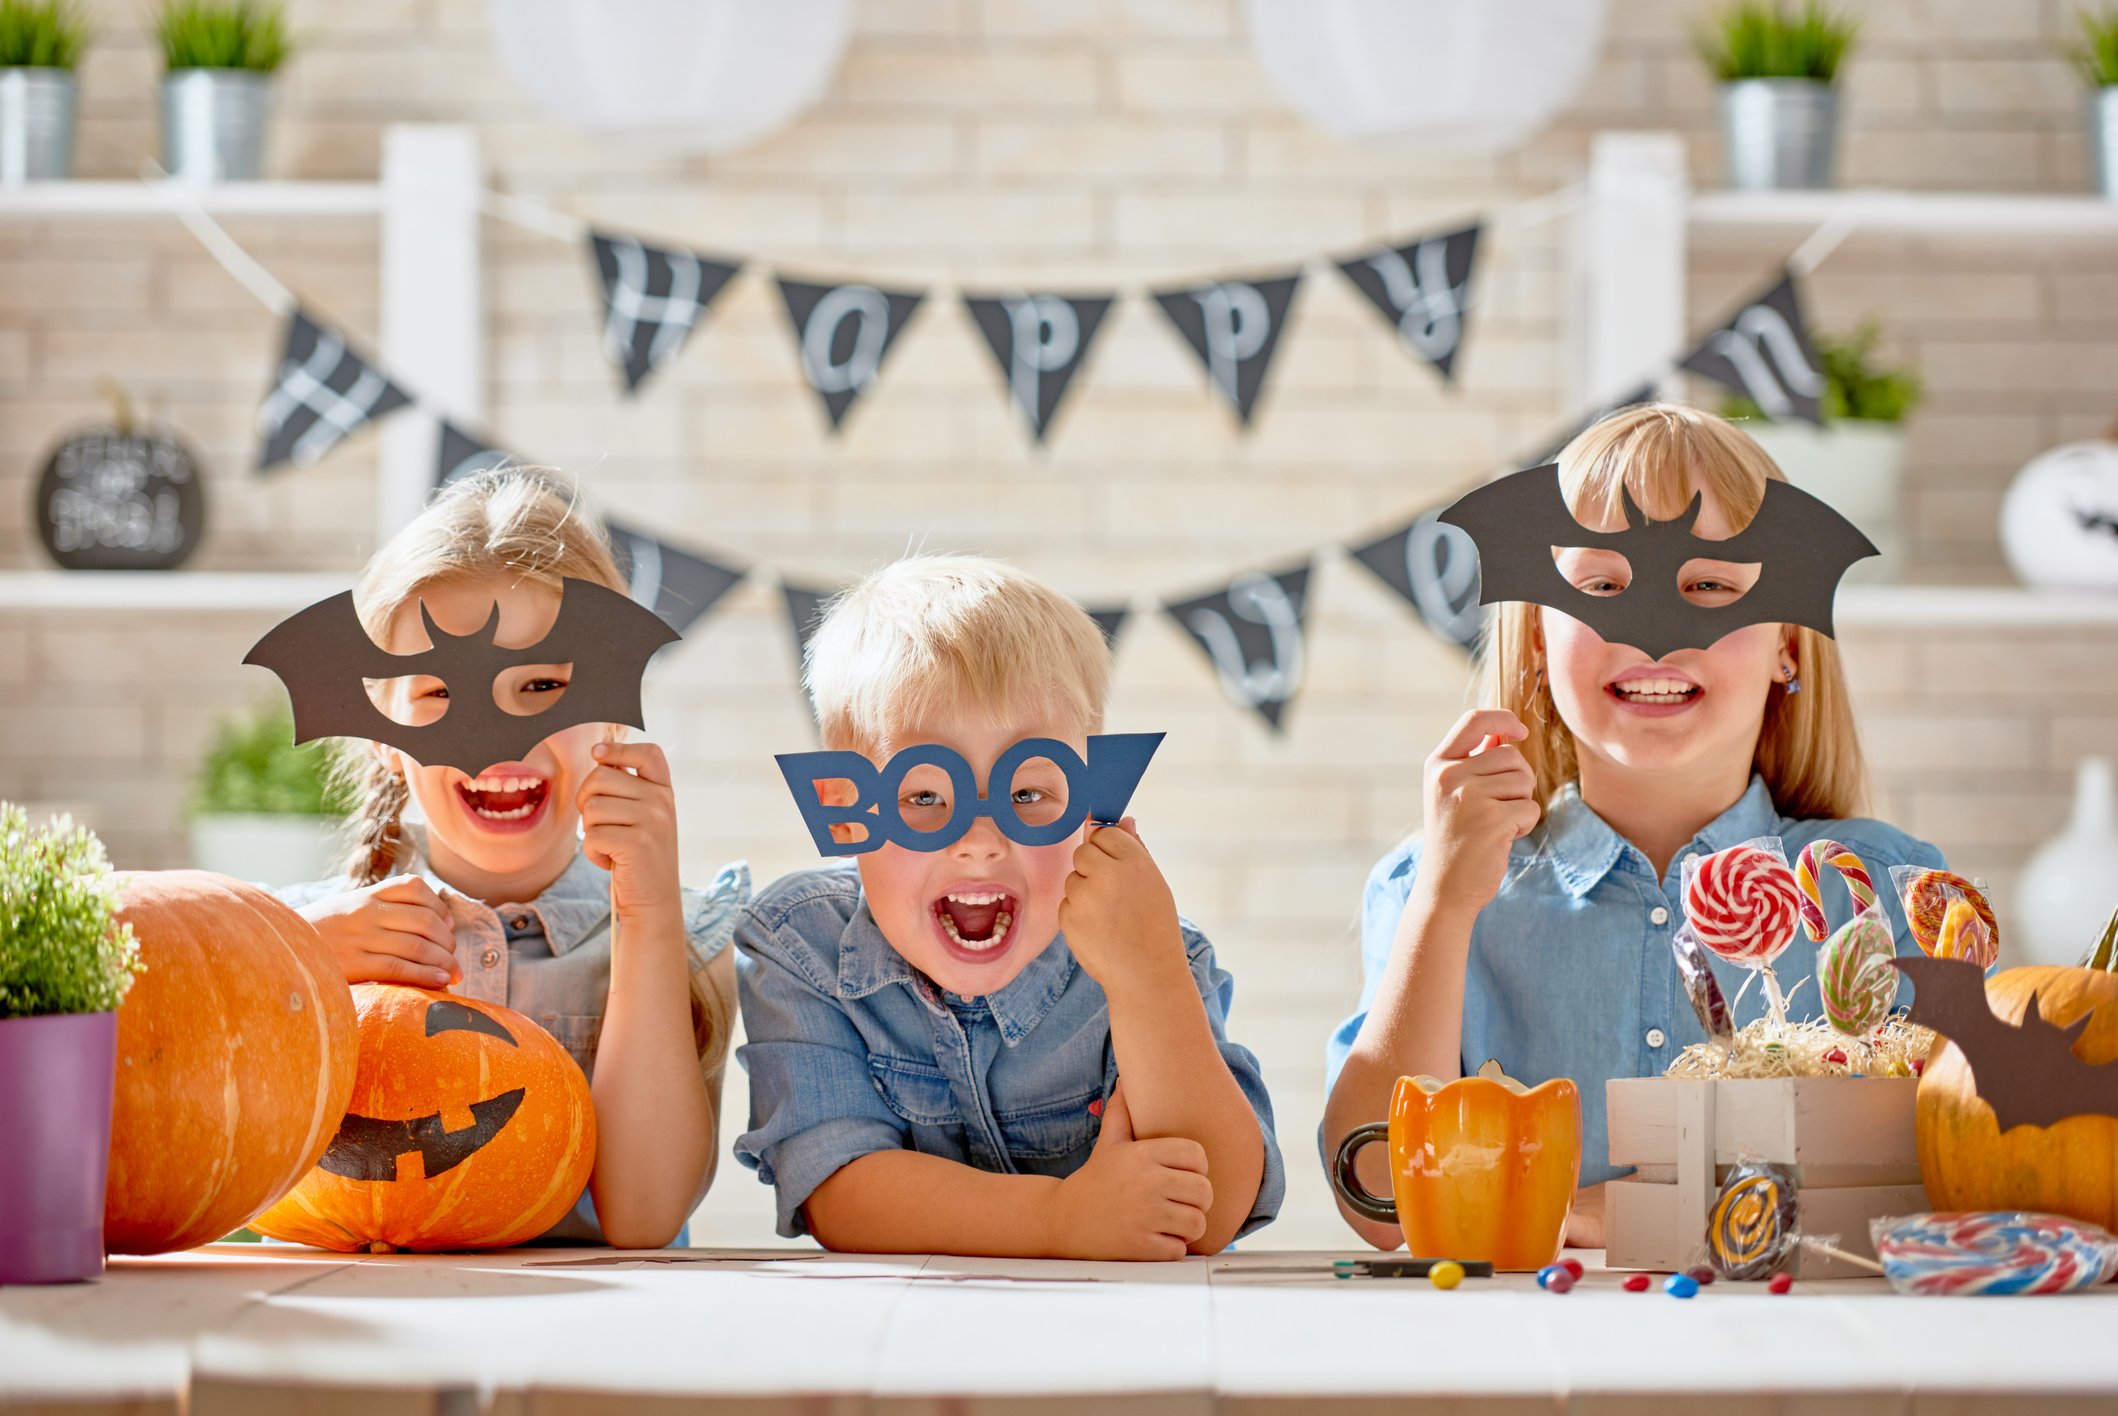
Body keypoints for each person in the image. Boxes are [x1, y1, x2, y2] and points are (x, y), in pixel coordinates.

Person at [1322, 404, 1944, 1249]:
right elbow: (1377, 1204)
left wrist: (1628, 1216)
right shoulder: (1433, 884)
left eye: (1711, 587)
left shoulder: (1889, 899)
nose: (1653, 635)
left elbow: (1943, 1181)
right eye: (1603, 587)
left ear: (1789, 644)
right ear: (1537, 638)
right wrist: (1444, 902)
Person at [735, 555, 1283, 1257]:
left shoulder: (1150, 950)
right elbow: (837, 1189)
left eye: (1026, 796)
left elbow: (1213, 1207)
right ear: (845, 815)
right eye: (925, 797)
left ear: (1090, 808)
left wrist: (1148, 977)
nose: (979, 842)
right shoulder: (801, 946)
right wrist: (1061, 1218)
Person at [277, 468, 744, 1249]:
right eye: (439, 696)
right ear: (380, 738)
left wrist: (648, 914)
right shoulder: (293, 936)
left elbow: (643, 1215)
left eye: (543, 687)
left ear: (613, 715)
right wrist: (296, 965)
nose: (499, 738)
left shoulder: (689, 937)